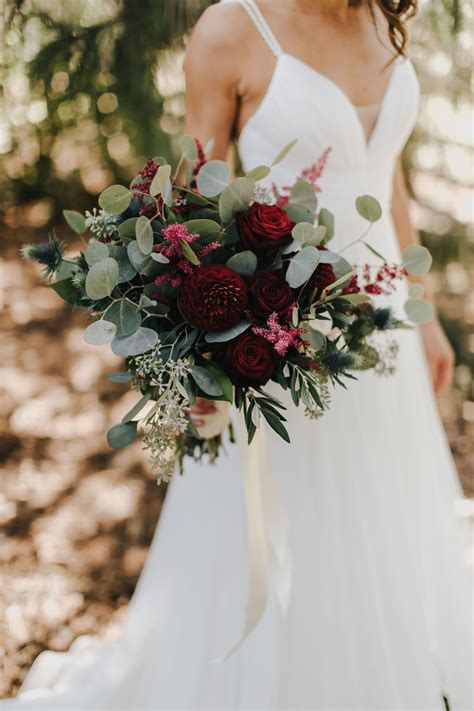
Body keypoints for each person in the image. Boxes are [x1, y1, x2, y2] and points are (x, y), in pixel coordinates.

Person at [3, 1, 472, 708]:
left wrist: (424, 308)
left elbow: (387, 177)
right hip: (279, 342)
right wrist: (202, 350)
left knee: (378, 516)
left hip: (382, 330)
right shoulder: (233, 29)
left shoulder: (381, 13)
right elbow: (191, 210)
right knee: (279, 529)